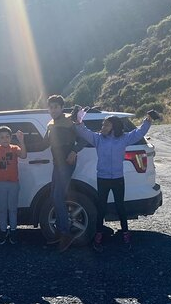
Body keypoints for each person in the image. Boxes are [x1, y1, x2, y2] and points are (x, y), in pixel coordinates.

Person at [73, 111, 153, 252]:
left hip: (117, 178)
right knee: (101, 208)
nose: (103, 126)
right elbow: (84, 132)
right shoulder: (98, 138)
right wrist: (79, 122)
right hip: (103, 178)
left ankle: (126, 234)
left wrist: (148, 120)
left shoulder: (123, 138)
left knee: (120, 207)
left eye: (106, 124)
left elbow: (139, 133)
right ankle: (98, 236)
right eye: (103, 124)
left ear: (114, 126)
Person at [42, 94, 85, 252]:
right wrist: (20, 140)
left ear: (61, 107)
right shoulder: (50, 124)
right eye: (51, 107)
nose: (53, 110)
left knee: (58, 196)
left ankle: (65, 233)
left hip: (67, 163)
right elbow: (44, 143)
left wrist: (74, 151)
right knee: (54, 195)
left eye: (56, 107)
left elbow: (83, 139)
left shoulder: (70, 121)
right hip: (57, 163)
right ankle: (61, 231)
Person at [0, 126, 27, 244]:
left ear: (11, 137)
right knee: (2, 210)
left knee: (12, 209)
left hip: (13, 183)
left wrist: (21, 140)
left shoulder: (14, 148)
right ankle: (3, 231)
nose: (5, 139)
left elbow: (23, 155)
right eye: (2, 137)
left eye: (7, 137)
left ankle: (13, 231)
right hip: (0, 184)